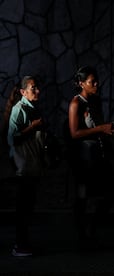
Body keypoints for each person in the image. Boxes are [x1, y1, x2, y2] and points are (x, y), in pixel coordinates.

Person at [67, 66, 114, 248]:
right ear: (81, 84)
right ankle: (82, 236)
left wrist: (107, 132)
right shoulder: (76, 103)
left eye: (96, 80)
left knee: (112, 193)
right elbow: (74, 133)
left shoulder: (95, 100)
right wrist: (100, 129)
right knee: (82, 196)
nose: (96, 84)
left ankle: (91, 228)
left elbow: (98, 125)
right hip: (83, 157)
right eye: (91, 82)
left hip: (99, 153)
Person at [7, 76, 46, 257]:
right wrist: (33, 126)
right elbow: (13, 138)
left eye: (37, 87)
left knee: (28, 206)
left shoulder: (31, 108)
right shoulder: (19, 109)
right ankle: (19, 245)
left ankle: (24, 244)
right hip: (23, 166)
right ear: (23, 92)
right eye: (33, 88)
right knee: (23, 207)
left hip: (32, 165)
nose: (37, 91)